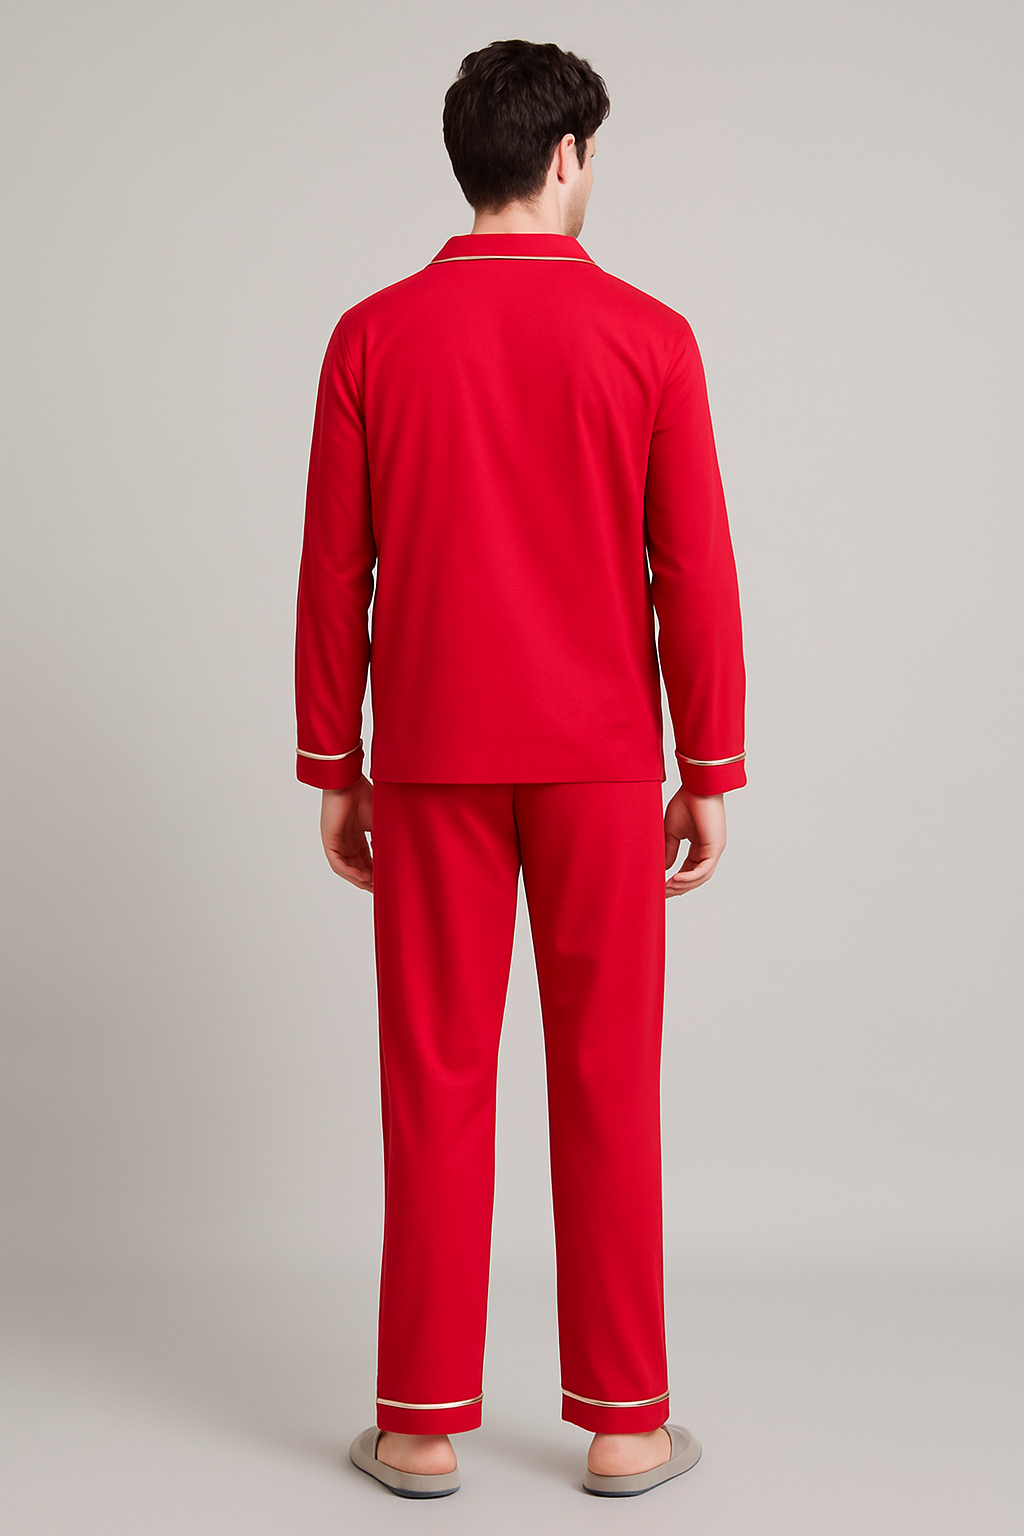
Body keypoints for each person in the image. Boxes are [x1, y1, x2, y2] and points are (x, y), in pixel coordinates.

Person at [294, 38, 746, 1500]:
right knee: (608, 1075)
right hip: (601, 765)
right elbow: (694, 569)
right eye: (591, 153)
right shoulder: (651, 337)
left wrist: (334, 760)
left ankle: (420, 1424)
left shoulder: (372, 337)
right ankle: (626, 1424)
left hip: (430, 756)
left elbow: (335, 571)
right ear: (565, 158)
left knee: (433, 1076)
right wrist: (709, 762)